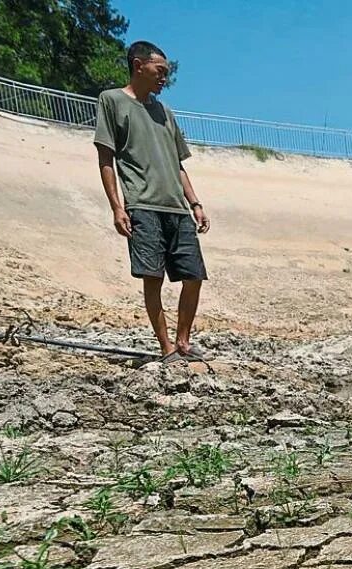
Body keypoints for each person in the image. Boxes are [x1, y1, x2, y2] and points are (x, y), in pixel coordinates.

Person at [94, 40, 211, 362]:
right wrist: (117, 207)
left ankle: (184, 341)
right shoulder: (112, 101)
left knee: (194, 276)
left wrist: (196, 204)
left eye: (167, 73)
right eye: (160, 71)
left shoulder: (165, 112)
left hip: (177, 207)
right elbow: (106, 157)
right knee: (152, 277)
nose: (164, 79)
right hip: (142, 205)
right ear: (138, 65)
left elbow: (178, 164)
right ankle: (166, 348)